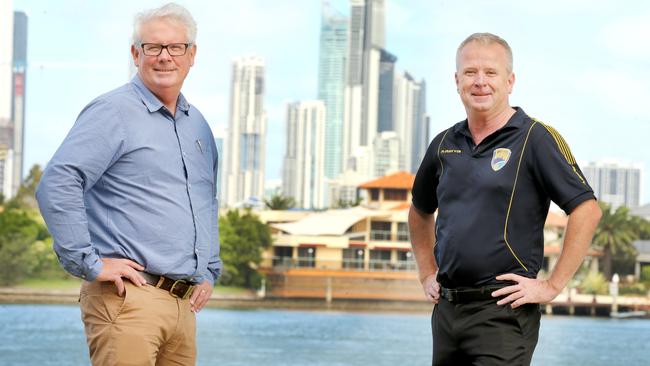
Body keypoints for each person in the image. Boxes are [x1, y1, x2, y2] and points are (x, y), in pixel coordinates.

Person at [36, 3, 221, 365]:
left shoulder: (197, 125)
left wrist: (209, 271)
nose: (164, 57)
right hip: (129, 300)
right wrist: (89, 263)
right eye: (153, 47)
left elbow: (205, 201)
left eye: (175, 47)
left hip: (184, 308)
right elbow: (58, 181)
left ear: (192, 55)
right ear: (136, 54)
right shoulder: (112, 112)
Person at [408, 32, 602, 365]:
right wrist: (427, 272)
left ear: (510, 81)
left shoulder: (535, 138)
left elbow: (587, 210)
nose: (480, 81)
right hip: (447, 310)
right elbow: (419, 211)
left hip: (503, 312)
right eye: (470, 73)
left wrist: (552, 286)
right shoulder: (443, 144)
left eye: (491, 72)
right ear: (457, 81)